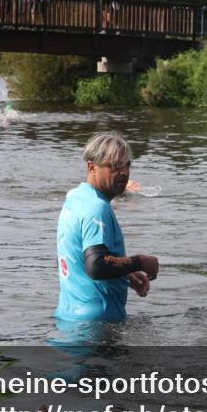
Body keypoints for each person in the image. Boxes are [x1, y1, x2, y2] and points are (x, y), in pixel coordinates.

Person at [55, 131, 159, 321]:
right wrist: (141, 261)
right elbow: (97, 265)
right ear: (92, 168)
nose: (124, 172)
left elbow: (81, 260)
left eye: (127, 164)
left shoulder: (75, 199)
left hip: (69, 316)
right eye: (114, 165)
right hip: (97, 323)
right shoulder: (96, 208)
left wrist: (125, 273)